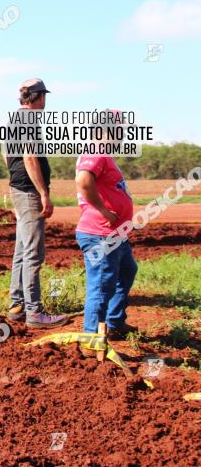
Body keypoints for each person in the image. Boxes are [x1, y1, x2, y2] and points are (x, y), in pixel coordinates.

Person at [6, 78, 68, 328]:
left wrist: (14, 186)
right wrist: (43, 193)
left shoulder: (13, 119)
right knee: (33, 253)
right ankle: (35, 313)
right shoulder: (29, 121)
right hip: (29, 192)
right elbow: (30, 157)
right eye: (44, 96)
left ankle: (17, 305)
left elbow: (6, 155)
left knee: (22, 250)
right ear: (39, 96)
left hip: (19, 189)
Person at [75, 112, 137, 336]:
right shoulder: (96, 151)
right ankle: (91, 336)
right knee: (101, 286)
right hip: (100, 233)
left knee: (127, 271)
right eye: (119, 129)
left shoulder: (104, 154)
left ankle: (114, 323)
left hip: (115, 234)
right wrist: (102, 210)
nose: (122, 135)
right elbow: (83, 180)